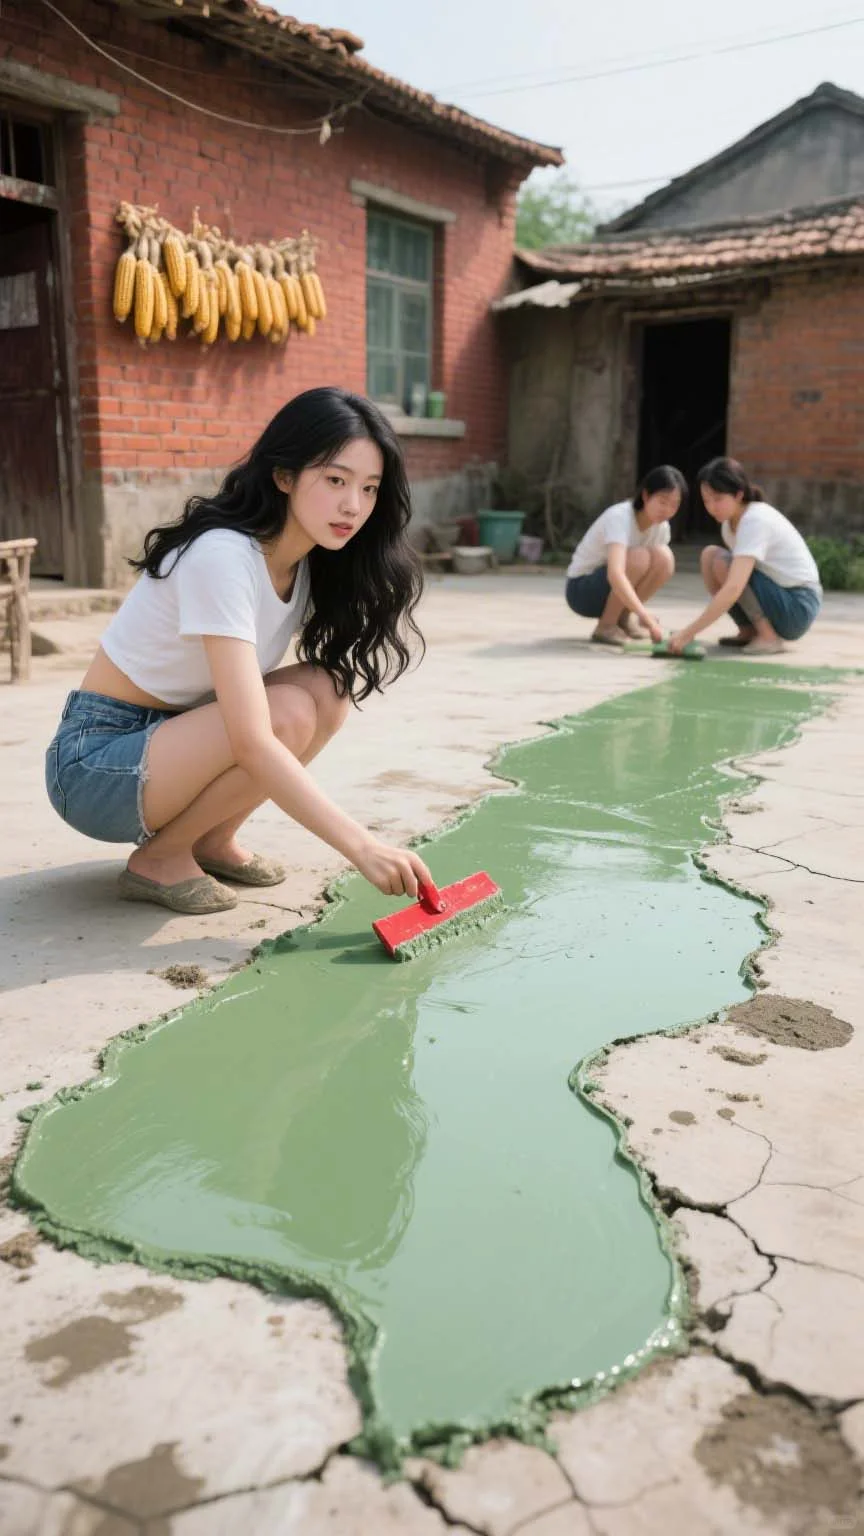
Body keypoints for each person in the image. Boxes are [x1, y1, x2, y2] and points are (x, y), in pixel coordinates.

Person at [45, 387, 434, 915]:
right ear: (284, 476)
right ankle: (160, 858)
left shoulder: (305, 563)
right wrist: (362, 847)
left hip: (171, 737)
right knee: (287, 714)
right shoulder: (224, 556)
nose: (354, 505)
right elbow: (251, 739)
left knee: (328, 688)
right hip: (95, 764)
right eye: (336, 481)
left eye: (369, 488)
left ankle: (208, 840)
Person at [668, 457, 822, 656]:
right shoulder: (728, 526)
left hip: (798, 605)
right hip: (780, 598)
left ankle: (768, 637)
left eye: (718, 499)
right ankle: (749, 630)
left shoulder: (754, 520)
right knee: (710, 556)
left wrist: (688, 633)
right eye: (707, 501)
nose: (712, 507)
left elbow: (734, 586)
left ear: (739, 494)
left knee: (722, 563)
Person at [565, 466, 685, 646]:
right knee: (639, 557)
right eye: (662, 501)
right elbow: (616, 573)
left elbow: (654, 570)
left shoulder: (662, 527)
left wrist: (639, 614)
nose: (667, 510)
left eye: (674, 504)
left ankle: (623, 619)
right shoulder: (620, 517)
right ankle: (606, 625)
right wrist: (645, 615)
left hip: (610, 592)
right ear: (645, 496)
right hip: (582, 591)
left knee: (665, 558)